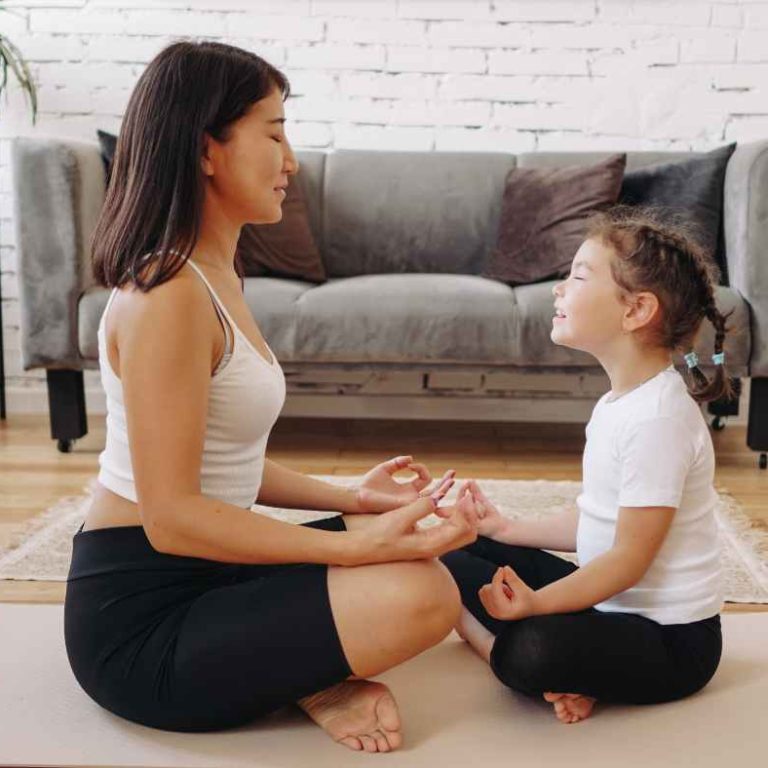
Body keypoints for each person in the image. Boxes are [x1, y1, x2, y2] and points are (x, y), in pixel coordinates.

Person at [64, 40, 479, 754]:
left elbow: (219, 465)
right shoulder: (168, 297)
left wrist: (355, 501)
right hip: (143, 624)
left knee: (421, 548)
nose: (291, 161)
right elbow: (171, 520)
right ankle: (307, 674)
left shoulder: (215, 275)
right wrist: (354, 552)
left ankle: (296, 665)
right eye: (275, 133)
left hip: (215, 573)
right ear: (205, 149)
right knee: (423, 593)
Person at [442, 206, 726, 725]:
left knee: (531, 650)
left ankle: (496, 647)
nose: (558, 289)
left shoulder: (658, 419)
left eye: (577, 276)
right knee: (457, 545)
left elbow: (627, 560)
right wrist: (505, 527)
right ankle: (575, 668)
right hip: (608, 608)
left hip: (670, 641)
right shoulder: (620, 404)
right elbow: (600, 520)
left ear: (636, 310)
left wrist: (536, 606)